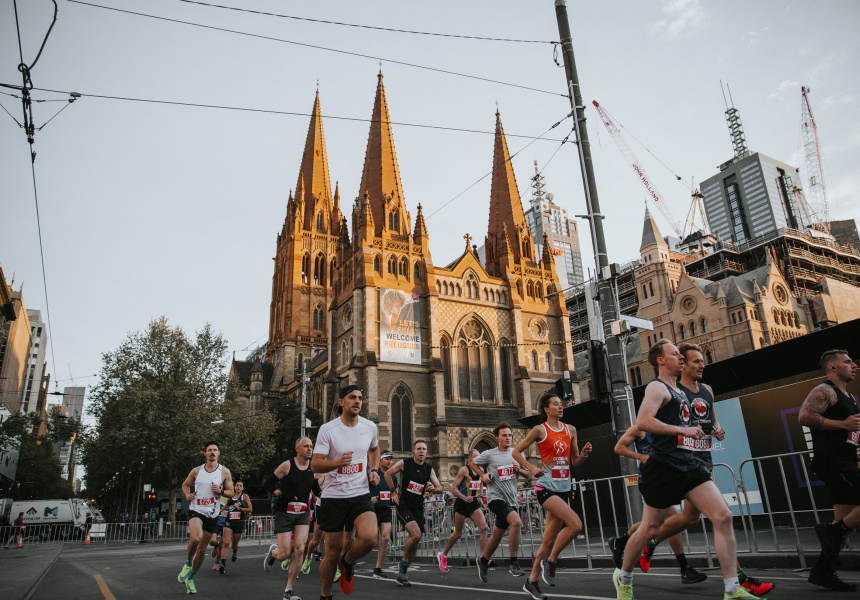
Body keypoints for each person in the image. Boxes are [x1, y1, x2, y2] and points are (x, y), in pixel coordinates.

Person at [612, 340, 760, 600]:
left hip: (689, 464)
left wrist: (710, 429)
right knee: (649, 529)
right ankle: (623, 576)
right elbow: (643, 420)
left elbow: (694, 424)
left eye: (681, 354)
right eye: (675, 354)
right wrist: (682, 430)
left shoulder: (679, 390)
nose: (681, 357)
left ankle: (731, 588)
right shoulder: (657, 387)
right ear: (661, 360)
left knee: (723, 516)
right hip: (663, 467)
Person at [513, 392, 592, 600]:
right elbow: (516, 452)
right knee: (575, 526)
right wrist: (531, 468)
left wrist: (583, 454)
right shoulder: (540, 430)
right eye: (556, 404)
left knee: (548, 540)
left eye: (561, 404)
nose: (560, 407)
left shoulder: (570, 430)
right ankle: (551, 560)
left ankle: (531, 581)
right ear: (546, 409)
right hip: (546, 488)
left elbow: (574, 461)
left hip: (563, 487)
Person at [608, 423, 707, 585]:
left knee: (655, 524)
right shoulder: (640, 428)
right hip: (650, 480)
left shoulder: (670, 426)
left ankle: (620, 542)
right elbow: (618, 448)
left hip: (669, 479)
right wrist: (640, 456)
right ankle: (684, 568)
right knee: (674, 519)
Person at [310, 384, 380, 599]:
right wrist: (337, 462)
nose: (357, 401)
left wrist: (374, 469)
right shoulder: (328, 430)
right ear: (341, 402)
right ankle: (325, 595)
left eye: (360, 397)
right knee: (331, 553)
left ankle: (347, 562)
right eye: (352, 398)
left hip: (359, 493)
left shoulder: (369, 427)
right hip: (334, 497)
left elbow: (374, 448)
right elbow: (315, 465)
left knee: (370, 538)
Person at [799, 349, 859, 592]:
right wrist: (843, 424)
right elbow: (805, 416)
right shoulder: (824, 391)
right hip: (832, 462)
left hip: (845, 460)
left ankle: (822, 571)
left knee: (844, 519)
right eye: (848, 362)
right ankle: (831, 531)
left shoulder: (850, 397)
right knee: (840, 527)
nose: (854, 365)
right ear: (832, 367)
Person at [469, 422, 531, 584]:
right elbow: (472, 463)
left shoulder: (517, 454)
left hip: (511, 500)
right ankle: (514, 562)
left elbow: (528, 475)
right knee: (516, 521)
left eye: (509, 435)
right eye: (504, 435)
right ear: (497, 438)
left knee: (497, 535)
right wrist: (483, 475)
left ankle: (483, 561)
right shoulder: (490, 454)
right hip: (495, 498)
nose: (507, 438)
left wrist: (520, 470)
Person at [264, 437, 322, 600]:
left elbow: (316, 489)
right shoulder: (287, 465)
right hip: (285, 513)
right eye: (306, 446)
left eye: (311, 446)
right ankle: (273, 552)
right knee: (284, 554)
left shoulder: (313, 468)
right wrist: (280, 494)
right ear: (297, 449)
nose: (310, 449)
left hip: (303, 513)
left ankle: (288, 590)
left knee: (300, 549)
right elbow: (269, 484)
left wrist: (327, 494)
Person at [177, 441, 234, 595]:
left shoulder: (224, 472)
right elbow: (185, 484)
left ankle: (191, 578)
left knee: (202, 549)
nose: (212, 452)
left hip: (212, 514)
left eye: (215, 450)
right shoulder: (196, 471)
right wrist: (187, 494)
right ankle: (188, 563)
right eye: (209, 450)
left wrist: (221, 491)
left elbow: (231, 492)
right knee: (195, 539)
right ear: (205, 453)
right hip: (196, 510)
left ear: (219, 453)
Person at [385, 440, 443, 586]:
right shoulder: (405, 463)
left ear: (427, 452)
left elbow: (440, 488)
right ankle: (403, 563)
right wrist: (393, 492)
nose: (422, 451)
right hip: (404, 506)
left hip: (418, 507)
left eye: (424, 449)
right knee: (416, 534)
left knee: (416, 542)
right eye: (419, 449)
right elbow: (388, 474)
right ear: (413, 451)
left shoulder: (429, 469)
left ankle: (403, 572)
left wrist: (432, 488)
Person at [438, 449, 490, 573]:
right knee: (458, 533)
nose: (479, 460)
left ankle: (483, 558)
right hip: (462, 503)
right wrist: (464, 497)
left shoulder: (481, 471)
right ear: (470, 459)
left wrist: (481, 496)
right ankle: (443, 555)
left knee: (484, 528)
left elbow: (481, 483)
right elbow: (453, 489)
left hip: (473, 504)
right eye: (476, 458)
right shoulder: (464, 470)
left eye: (480, 458)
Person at [369, 450, 397, 578]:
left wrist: (393, 498)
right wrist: (370, 499)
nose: (389, 461)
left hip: (385, 509)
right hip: (373, 510)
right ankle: (349, 559)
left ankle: (378, 568)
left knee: (385, 538)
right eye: (386, 459)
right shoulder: (374, 474)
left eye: (390, 459)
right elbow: (364, 490)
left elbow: (393, 492)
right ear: (380, 460)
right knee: (371, 541)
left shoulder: (393, 477)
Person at [218, 480, 252, 570]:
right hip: (229, 522)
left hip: (238, 523)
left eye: (240, 486)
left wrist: (240, 509)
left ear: (243, 488)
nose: (238, 487)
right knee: (225, 543)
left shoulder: (244, 496)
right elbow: (227, 505)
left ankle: (234, 551)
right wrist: (220, 511)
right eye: (237, 485)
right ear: (234, 487)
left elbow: (250, 509)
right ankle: (222, 564)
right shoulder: (231, 496)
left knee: (234, 545)